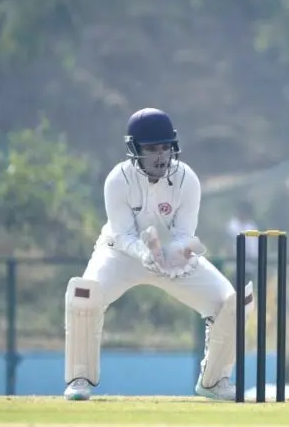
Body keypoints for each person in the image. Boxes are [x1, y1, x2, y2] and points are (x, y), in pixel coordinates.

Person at [63, 108, 252, 401]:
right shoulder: (117, 180)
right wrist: (145, 253)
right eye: (151, 149)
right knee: (85, 296)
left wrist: (175, 253)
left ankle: (214, 381)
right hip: (120, 255)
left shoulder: (187, 179)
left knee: (230, 302)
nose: (160, 155)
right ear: (134, 149)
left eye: (165, 147)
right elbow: (123, 234)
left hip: (171, 257)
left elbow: (184, 233)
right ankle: (79, 379)